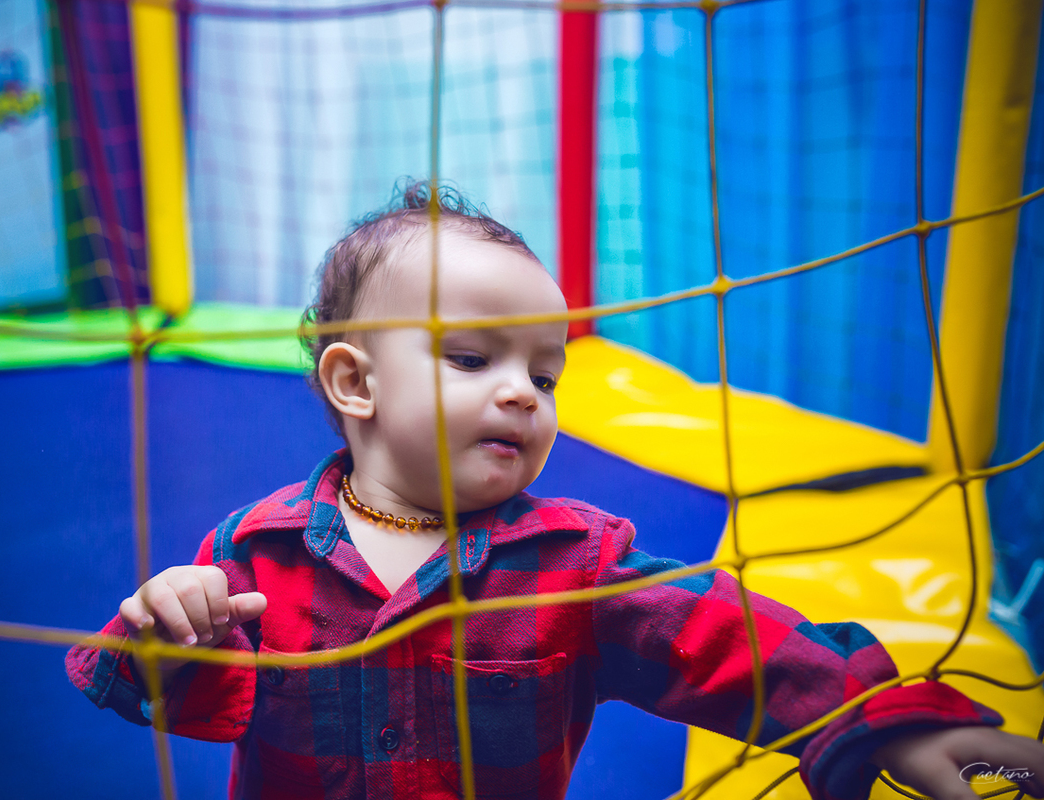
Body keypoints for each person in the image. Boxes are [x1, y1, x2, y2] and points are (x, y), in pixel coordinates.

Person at [67, 182, 1044, 800]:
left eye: (545, 374)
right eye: (472, 357)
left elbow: (729, 639)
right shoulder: (254, 551)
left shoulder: (577, 564)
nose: (521, 394)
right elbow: (179, 697)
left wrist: (890, 718)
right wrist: (164, 622)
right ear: (354, 382)